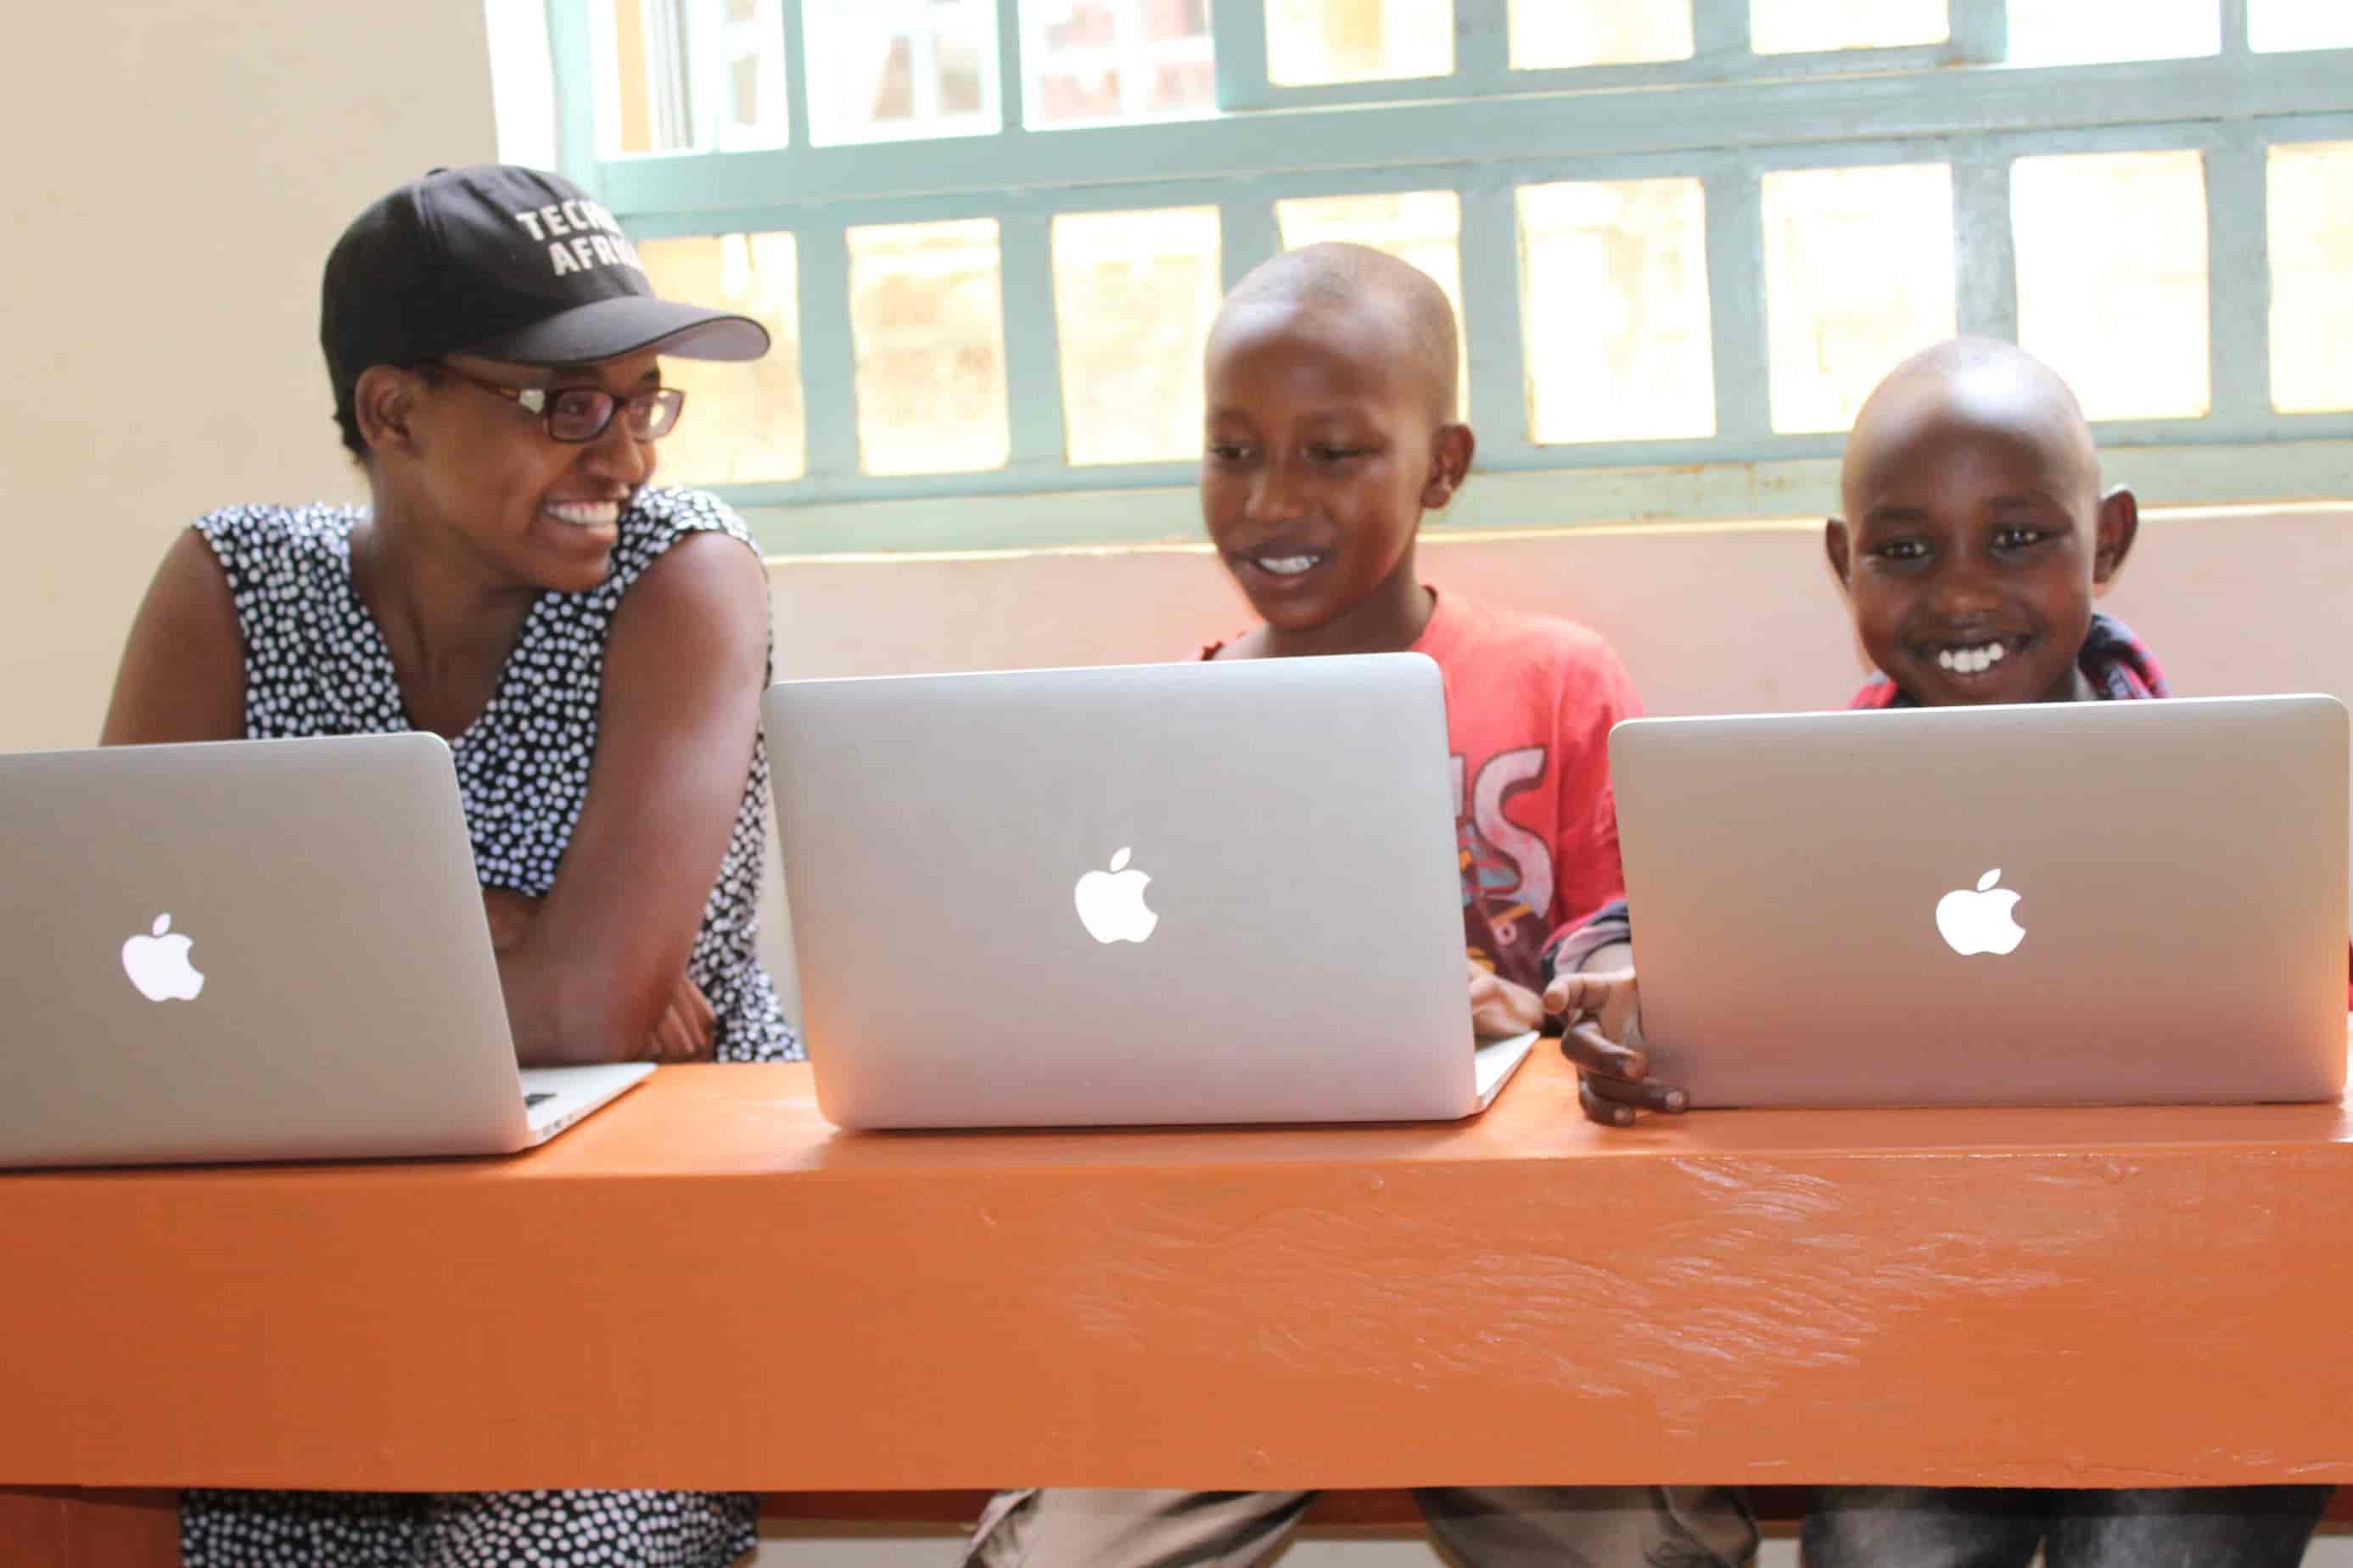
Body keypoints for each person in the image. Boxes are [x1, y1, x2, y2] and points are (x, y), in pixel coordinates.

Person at [960, 243, 1756, 1568]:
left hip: (1527, 1279)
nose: (1272, 500)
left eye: (1333, 453)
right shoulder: (1167, 725)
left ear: (1440, 465)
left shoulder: (1556, 682)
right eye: (1231, 451)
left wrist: (1538, 1015)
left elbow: (1638, 983)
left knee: (1635, 1551)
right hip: (1245, 1273)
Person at [101, 164, 796, 1567]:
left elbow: (588, 1014)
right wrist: (502, 925)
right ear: (394, 411)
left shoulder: (685, 576)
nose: (625, 455)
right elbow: (127, 993)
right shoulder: (232, 587)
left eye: (642, 398)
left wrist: (291, 925)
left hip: (619, 1292)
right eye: (564, 406)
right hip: (304, 1289)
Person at [1547, 337, 2335, 1565]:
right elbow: (1621, 935)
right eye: (1902, 550)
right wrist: (1606, 1001)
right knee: (1880, 1549)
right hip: (1912, 1323)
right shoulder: (1787, 809)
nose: (1961, 592)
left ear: (2107, 538)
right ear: (1838, 561)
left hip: (2202, 1314)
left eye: (2016, 537)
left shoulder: (2226, 795)